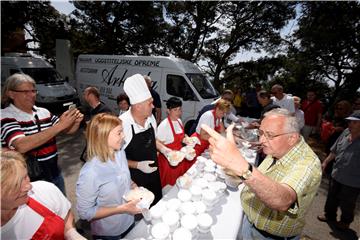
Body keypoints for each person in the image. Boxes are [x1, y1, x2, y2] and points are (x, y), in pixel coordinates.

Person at [202, 108, 322, 239]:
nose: (262, 140)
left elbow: (284, 200)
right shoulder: (278, 147)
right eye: (261, 133)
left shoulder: (308, 164)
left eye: (269, 135)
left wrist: (239, 164)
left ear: (292, 138)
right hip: (251, 222)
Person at [1, 73, 83, 194]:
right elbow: (22, 145)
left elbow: (67, 131)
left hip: (55, 173)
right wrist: (61, 125)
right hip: (27, 180)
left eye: (34, 91)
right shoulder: (5, 115)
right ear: (11, 93)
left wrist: (75, 122)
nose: (32, 95)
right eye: (25, 91)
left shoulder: (44, 111)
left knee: (61, 209)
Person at [76, 113, 141, 239]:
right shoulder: (91, 172)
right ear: (103, 137)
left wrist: (133, 185)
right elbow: (85, 213)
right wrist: (121, 209)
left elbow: (123, 176)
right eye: (119, 133)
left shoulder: (119, 152)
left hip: (129, 220)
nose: (124, 136)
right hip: (109, 231)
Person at [0, 150, 85, 240]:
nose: (29, 186)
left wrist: (71, 234)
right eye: (16, 185)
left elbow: (66, 217)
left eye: (25, 177)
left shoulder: (44, 190)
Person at [120, 74, 171, 205]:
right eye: (150, 103)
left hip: (154, 173)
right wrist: (138, 165)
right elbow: (113, 159)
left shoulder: (150, 118)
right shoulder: (122, 125)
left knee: (157, 204)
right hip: (134, 181)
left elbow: (153, 140)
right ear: (138, 106)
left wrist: (165, 150)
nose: (153, 106)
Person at [317, 112, 360, 231]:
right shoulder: (345, 132)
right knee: (331, 197)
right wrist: (325, 162)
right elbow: (335, 150)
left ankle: (345, 222)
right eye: (350, 121)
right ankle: (329, 216)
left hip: (354, 180)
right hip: (337, 173)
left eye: (354, 122)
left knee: (347, 202)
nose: (350, 124)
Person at [157, 97, 187, 187]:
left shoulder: (179, 121)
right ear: (168, 111)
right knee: (169, 186)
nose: (179, 112)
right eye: (175, 110)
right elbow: (158, 145)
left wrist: (186, 139)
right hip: (168, 162)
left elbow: (181, 137)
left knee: (179, 183)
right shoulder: (164, 126)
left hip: (179, 157)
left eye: (180, 109)